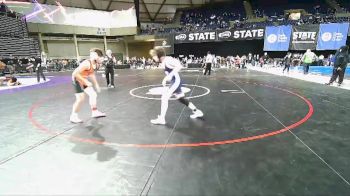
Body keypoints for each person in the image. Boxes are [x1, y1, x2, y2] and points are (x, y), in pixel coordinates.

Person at [149, 47, 204, 125]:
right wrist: (167, 77)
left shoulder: (167, 60)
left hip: (176, 81)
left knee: (164, 97)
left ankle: (162, 119)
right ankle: (197, 111)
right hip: (174, 81)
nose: (153, 58)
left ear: (158, 55)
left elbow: (179, 66)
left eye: (154, 55)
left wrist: (169, 76)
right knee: (181, 99)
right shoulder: (164, 61)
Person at [70, 48, 106, 123]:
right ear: (96, 57)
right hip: (76, 79)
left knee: (93, 94)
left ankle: (94, 112)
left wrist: (96, 85)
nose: (102, 61)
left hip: (83, 80)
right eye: (101, 58)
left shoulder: (97, 64)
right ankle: (73, 116)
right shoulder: (86, 63)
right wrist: (85, 81)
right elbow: (75, 74)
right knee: (81, 99)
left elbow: (91, 74)